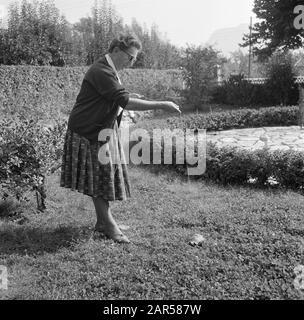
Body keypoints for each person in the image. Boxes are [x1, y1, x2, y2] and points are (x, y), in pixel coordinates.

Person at [60, 34, 181, 244]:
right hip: (88, 131)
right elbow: (124, 101)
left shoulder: (109, 71)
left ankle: (101, 223)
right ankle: (110, 226)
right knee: (97, 178)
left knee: (104, 175)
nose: (131, 62)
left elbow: (114, 96)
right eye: (130, 57)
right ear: (116, 50)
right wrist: (162, 104)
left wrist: (128, 95)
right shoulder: (102, 71)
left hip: (102, 130)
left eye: (134, 59)